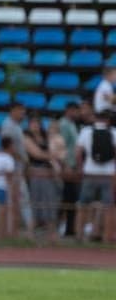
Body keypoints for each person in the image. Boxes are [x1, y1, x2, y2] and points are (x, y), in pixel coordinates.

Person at [0, 103, 29, 236]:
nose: (23, 114)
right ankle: (27, 228)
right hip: (11, 168)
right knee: (19, 198)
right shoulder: (8, 125)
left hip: (15, 167)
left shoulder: (17, 126)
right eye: (20, 111)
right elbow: (8, 145)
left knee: (0, 201)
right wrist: (21, 158)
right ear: (13, 111)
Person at [77, 108, 115, 243]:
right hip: (108, 175)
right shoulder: (114, 133)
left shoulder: (86, 132)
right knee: (109, 207)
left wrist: (80, 169)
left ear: (95, 118)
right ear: (108, 120)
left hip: (90, 173)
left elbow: (79, 152)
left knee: (83, 205)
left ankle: (80, 236)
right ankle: (107, 237)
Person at [24, 114, 60, 242]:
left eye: (37, 123)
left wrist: (53, 155)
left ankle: (52, 233)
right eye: (33, 123)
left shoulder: (45, 137)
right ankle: (30, 232)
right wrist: (52, 155)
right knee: (37, 202)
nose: (35, 126)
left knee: (50, 201)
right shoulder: (27, 138)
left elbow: (56, 149)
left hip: (48, 172)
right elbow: (36, 154)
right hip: (37, 172)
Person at [55, 101, 82, 239]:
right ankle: (57, 227)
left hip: (72, 165)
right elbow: (62, 146)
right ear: (69, 110)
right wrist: (65, 165)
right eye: (75, 110)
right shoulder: (64, 124)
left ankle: (69, 228)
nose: (77, 113)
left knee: (71, 198)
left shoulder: (71, 124)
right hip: (67, 166)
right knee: (66, 197)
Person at [0, 136, 20, 237]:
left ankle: (2, 232)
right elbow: (9, 176)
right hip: (4, 186)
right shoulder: (8, 158)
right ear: (10, 146)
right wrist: (12, 189)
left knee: (2, 209)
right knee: (4, 210)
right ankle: (3, 233)